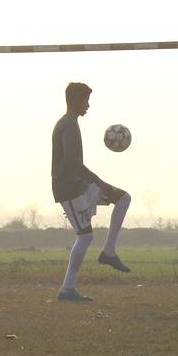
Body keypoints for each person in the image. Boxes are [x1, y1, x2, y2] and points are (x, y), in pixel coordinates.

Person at [51, 82, 132, 302]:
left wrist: (97, 184)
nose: (88, 105)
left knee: (123, 198)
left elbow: (75, 163)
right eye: (86, 100)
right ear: (75, 100)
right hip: (69, 189)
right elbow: (71, 163)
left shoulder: (71, 124)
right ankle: (67, 290)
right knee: (85, 236)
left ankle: (109, 253)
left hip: (80, 185)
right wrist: (99, 182)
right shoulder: (67, 125)